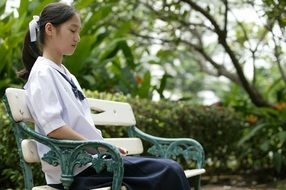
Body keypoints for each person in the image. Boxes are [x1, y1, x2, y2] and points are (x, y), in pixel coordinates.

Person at [20, 2, 191, 190]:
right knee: (169, 170)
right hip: (74, 172)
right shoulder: (43, 73)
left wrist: (103, 149)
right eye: (72, 30)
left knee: (167, 169)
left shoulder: (64, 73)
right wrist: (102, 147)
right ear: (50, 29)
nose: (77, 38)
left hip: (93, 163)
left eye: (78, 32)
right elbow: (54, 128)